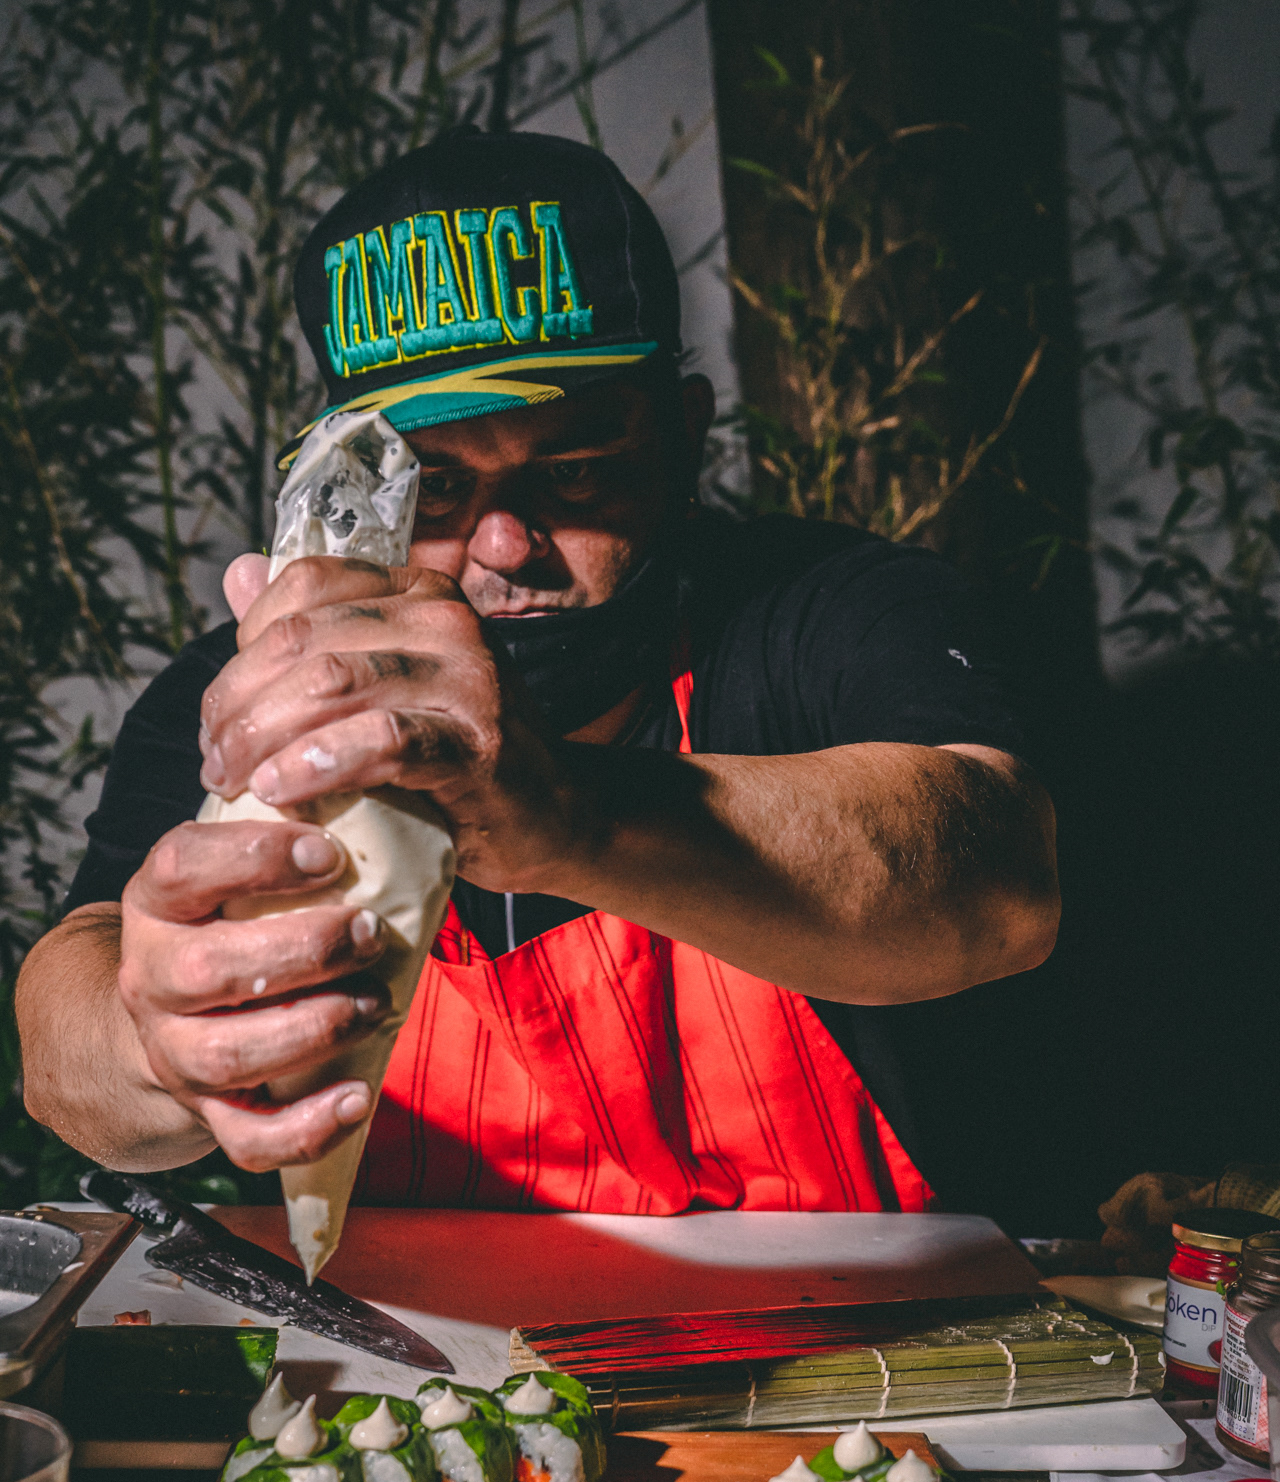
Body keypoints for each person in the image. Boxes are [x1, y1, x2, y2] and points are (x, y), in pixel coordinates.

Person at [17, 128, 1059, 1220]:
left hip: (861, 1321)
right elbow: (64, 1042)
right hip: (410, 1330)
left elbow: (1002, 881)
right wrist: (160, 1044)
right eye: (433, 488)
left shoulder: (827, 610)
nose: (503, 545)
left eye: (573, 471)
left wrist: (568, 816)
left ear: (682, 438)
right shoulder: (261, 693)